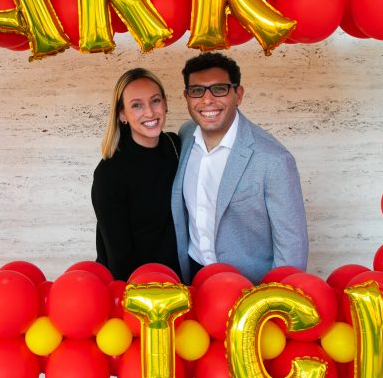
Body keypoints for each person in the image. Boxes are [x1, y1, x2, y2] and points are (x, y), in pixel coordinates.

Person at [171, 52, 308, 284]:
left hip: (248, 286)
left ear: (238, 95)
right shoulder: (185, 136)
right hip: (193, 274)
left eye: (219, 89)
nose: (207, 100)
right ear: (186, 97)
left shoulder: (274, 160)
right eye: (197, 90)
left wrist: (271, 299)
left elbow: (292, 250)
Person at [92, 68, 182, 281]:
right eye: (136, 105)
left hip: (178, 281)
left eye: (155, 101)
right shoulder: (109, 174)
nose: (150, 112)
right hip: (136, 286)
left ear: (165, 103)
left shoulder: (175, 146)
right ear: (122, 114)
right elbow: (118, 257)